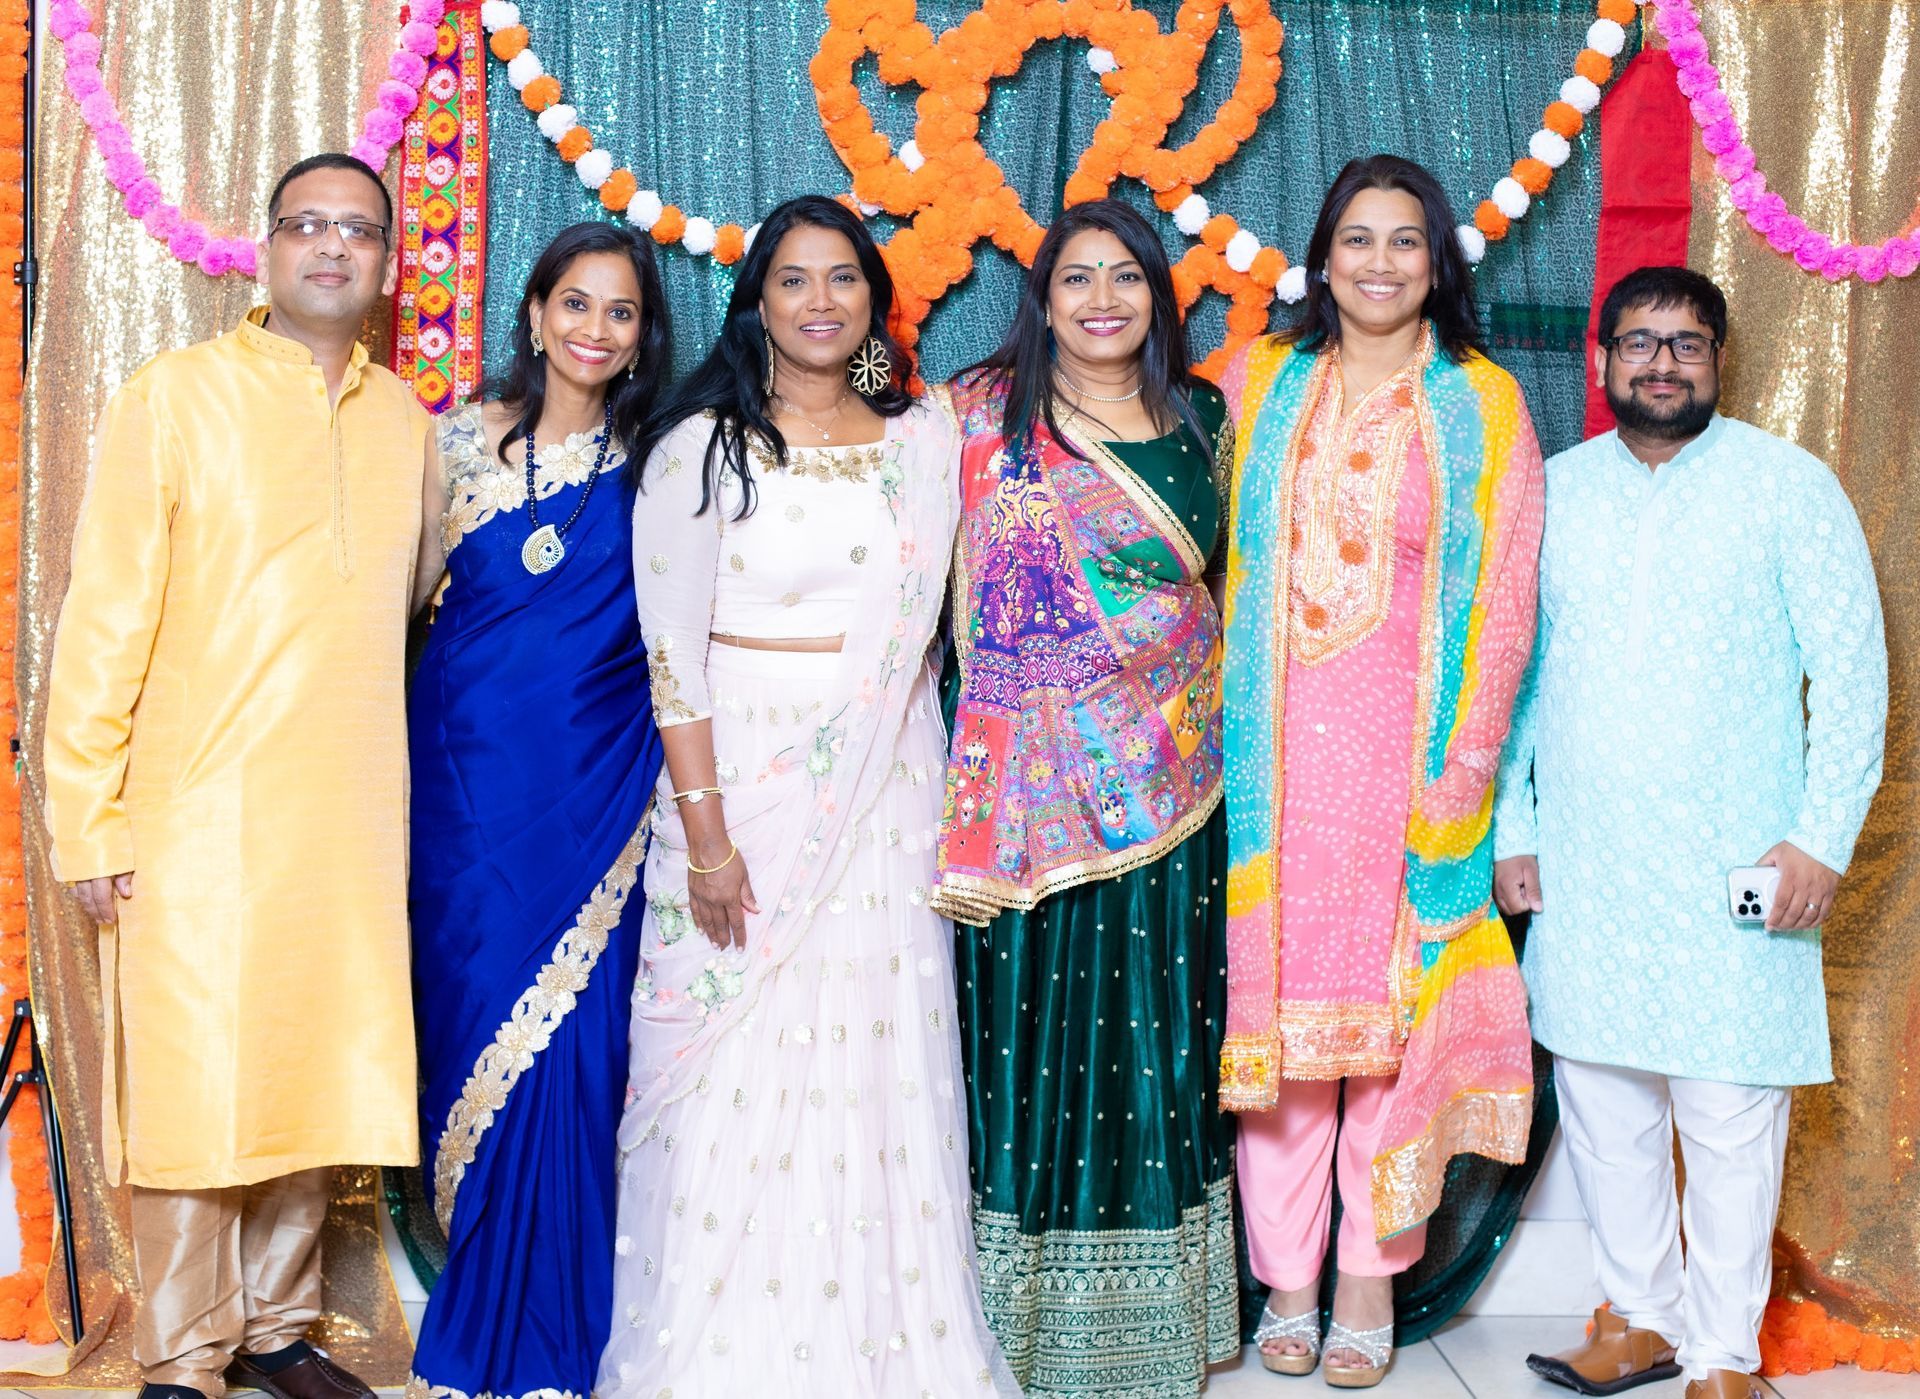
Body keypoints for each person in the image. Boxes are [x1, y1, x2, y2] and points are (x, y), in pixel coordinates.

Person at [597, 195, 1015, 1396]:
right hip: (739, 789)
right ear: (758, 303)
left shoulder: (923, 439)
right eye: (793, 279)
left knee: (875, 1065)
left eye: (843, 279)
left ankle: (882, 1347)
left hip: (889, 793)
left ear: (875, 301)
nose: (820, 301)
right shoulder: (701, 448)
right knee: (730, 1059)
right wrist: (708, 838)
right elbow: (671, 659)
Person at [41, 153, 425, 1399]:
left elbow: (412, 600)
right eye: (308, 225)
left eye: (357, 230)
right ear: (267, 250)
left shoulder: (407, 425)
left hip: (346, 814)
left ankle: (278, 1331)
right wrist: (89, 819)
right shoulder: (176, 396)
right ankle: (182, 1354)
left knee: (316, 1072)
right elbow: (101, 623)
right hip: (196, 814)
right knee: (199, 1088)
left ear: (385, 264)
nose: (333, 246)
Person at [1496, 266, 1887, 1399]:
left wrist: (1821, 837)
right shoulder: (1554, 492)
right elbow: (1512, 679)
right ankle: (1644, 1320)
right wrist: (1514, 826)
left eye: (1687, 343)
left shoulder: (1787, 485)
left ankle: (1721, 1354)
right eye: (1639, 342)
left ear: (1719, 359)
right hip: (1589, 861)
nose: (1662, 363)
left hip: (1743, 862)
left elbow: (1853, 675)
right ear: (1602, 360)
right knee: (1604, 1103)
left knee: (1729, 1111)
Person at [1218, 153, 1544, 1386]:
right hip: (1267, 765)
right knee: (1285, 1054)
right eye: (1357, 238)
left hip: (1409, 771)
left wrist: (1468, 770)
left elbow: (1505, 603)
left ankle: (1367, 1277)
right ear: (1322, 256)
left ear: (1437, 263)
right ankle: (1287, 1283)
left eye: (1406, 241)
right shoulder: (1258, 379)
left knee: (1389, 1038)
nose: (1379, 262)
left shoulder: (1483, 403)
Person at [934, 198, 1238, 1398]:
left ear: (1158, 297)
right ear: (1043, 298)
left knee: (1155, 1045)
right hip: (1018, 798)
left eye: (1126, 277)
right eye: (1076, 278)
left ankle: (1154, 1324)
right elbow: (843, 375)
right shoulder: (974, 411)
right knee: (1024, 1042)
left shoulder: (1207, 417)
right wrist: (813, 313)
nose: (1102, 299)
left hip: (1174, 781)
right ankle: (1006, 1318)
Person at [405, 223, 671, 1399]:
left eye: (620, 311)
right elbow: (398, 607)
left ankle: (556, 1345)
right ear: (534, 312)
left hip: (595, 801)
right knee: (467, 1027)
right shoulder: (454, 443)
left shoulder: (663, 462)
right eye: (576, 303)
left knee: (574, 1053)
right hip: (461, 798)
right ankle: (478, 1312)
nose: (594, 330)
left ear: (642, 335)